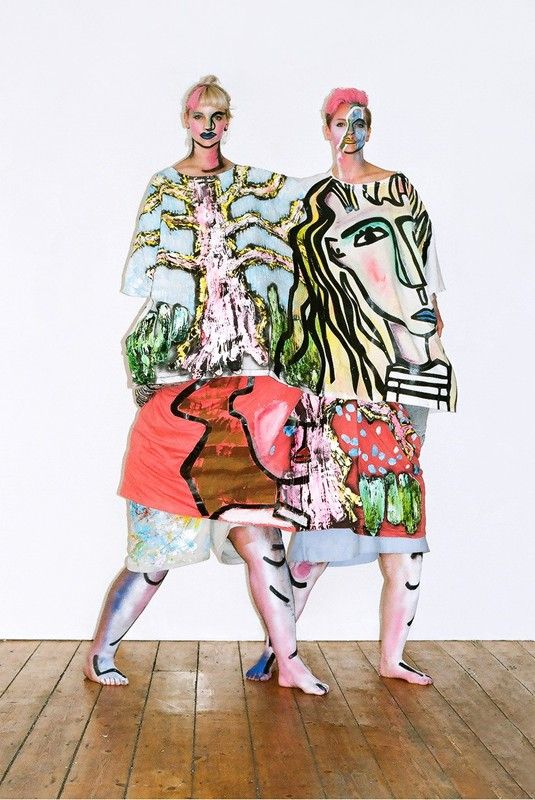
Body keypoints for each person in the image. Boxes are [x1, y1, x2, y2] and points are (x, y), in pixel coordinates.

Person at [83, 76, 329, 695]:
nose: (209, 125)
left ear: (229, 120)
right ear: (186, 119)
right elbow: (145, 279)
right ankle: (101, 650)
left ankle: (289, 660)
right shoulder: (164, 186)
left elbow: (311, 198)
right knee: (154, 559)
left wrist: (346, 157)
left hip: (243, 392)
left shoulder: (251, 185)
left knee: (262, 538)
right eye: (200, 115)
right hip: (182, 399)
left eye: (219, 115)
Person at [247, 87, 457, 685]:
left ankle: (392, 657)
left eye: (359, 122)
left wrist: (428, 340)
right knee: (323, 524)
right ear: (325, 127)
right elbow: (291, 289)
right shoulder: (311, 201)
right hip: (337, 379)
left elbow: (425, 283)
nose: (351, 132)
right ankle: (280, 646)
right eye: (341, 122)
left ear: (371, 126)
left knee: (401, 519)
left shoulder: (400, 189)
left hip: (401, 375)